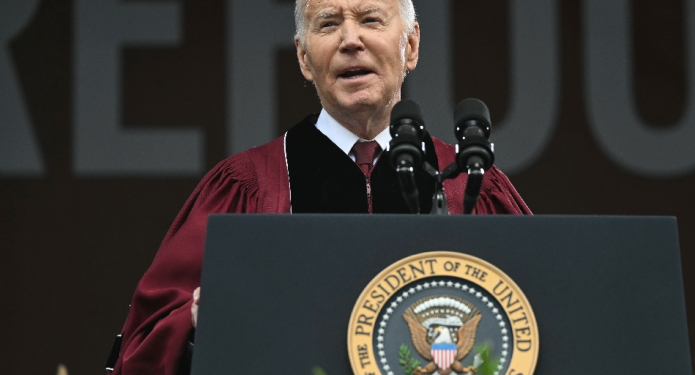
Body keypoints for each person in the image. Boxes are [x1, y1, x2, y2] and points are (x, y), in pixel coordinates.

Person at [109, 0, 531, 374]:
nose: (351, 40)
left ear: (411, 46)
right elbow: (148, 338)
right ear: (304, 58)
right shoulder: (247, 186)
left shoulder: (469, 183)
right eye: (328, 24)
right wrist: (199, 322)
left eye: (371, 19)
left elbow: (543, 318)